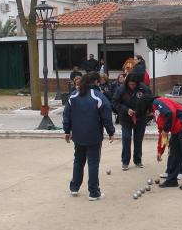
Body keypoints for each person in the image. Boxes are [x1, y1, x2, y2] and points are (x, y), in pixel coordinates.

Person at [63, 72, 115, 201]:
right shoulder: (98, 96)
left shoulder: (74, 95)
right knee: (93, 162)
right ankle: (93, 192)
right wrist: (110, 131)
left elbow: (66, 114)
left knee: (78, 160)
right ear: (97, 82)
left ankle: (74, 188)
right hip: (93, 135)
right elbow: (106, 115)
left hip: (78, 134)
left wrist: (67, 130)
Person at [136, 95, 182, 190]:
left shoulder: (157, 102)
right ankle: (171, 179)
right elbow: (162, 133)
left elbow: (170, 112)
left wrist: (166, 129)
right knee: (174, 153)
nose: (147, 115)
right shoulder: (156, 114)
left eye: (145, 113)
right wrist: (160, 151)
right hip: (176, 129)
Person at [112, 73, 151, 171]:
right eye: (130, 84)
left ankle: (138, 160)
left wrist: (147, 110)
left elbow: (150, 100)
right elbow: (115, 102)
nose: (132, 86)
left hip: (140, 118)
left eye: (134, 84)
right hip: (126, 118)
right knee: (126, 138)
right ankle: (125, 161)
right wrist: (126, 109)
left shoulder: (143, 89)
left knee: (138, 139)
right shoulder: (121, 89)